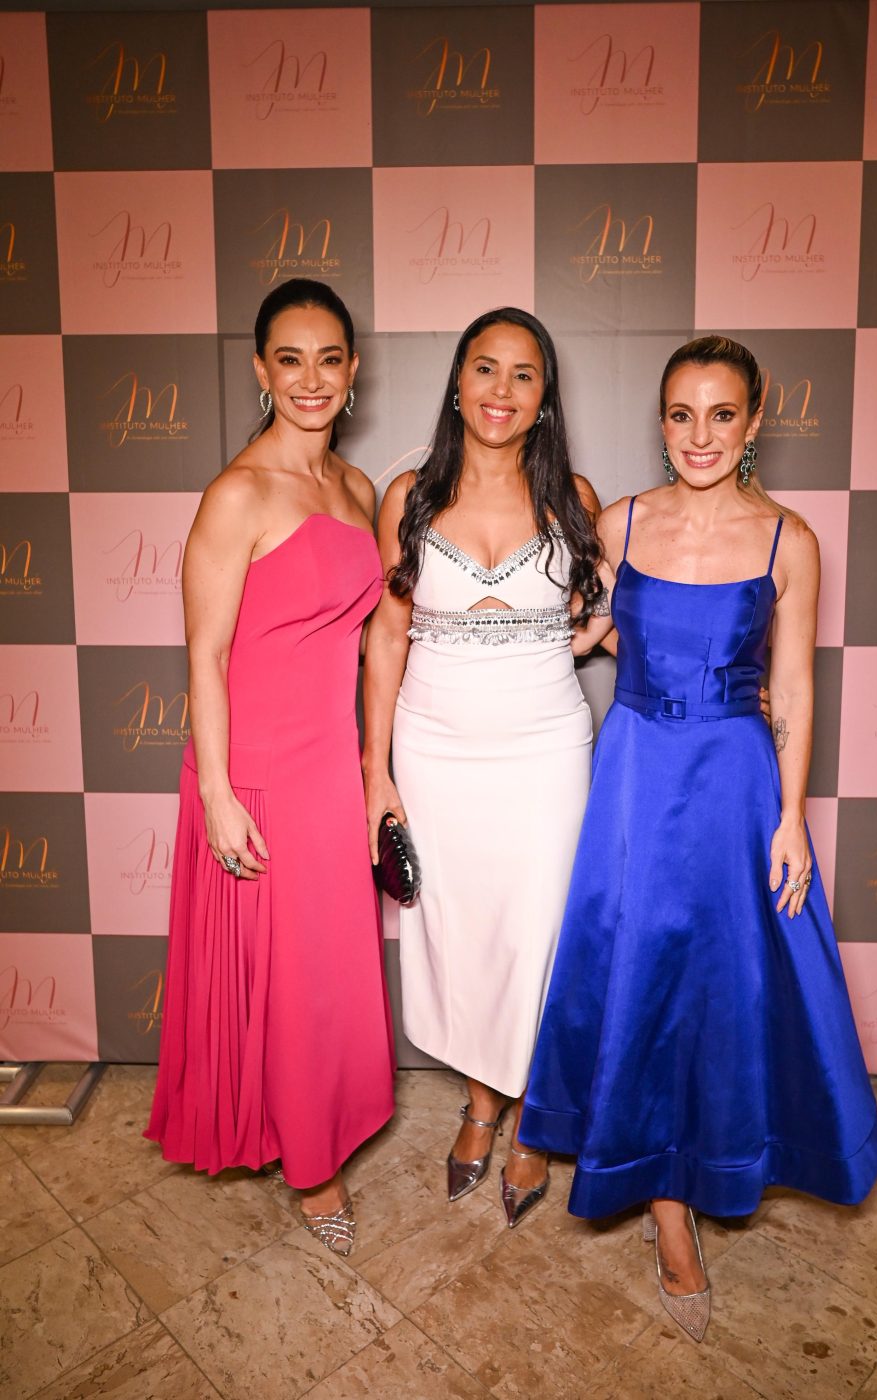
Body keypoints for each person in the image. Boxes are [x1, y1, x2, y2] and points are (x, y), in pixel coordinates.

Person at [520, 336, 877, 1339]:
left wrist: (791, 816)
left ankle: (709, 1160)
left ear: (753, 420)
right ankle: (663, 1208)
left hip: (731, 780)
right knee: (634, 974)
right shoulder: (621, 517)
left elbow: (797, 686)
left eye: (719, 415)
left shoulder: (786, 539)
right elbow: (585, 625)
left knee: (720, 986)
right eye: (679, 415)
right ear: (660, 421)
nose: (698, 435)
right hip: (634, 770)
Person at [145, 278, 394, 1257]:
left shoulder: (359, 489)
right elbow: (203, 654)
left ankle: (330, 1115)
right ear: (260, 370)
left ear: (351, 369)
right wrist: (213, 793)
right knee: (283, 975)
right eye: (288, 359)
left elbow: (377, 633)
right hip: (255, 771)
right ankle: (309, 1163)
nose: (310, 379)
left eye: (328, 358)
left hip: (331, 766)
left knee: (328, 966)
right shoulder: (236, 492)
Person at [362, 307, 605, 1227]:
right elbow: (386, 638)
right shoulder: (409, 496)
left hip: (545, 750)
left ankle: (532, 1129)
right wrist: (375, 771)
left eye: (523, 376)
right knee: (462, 938)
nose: (501, 391)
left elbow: (610, 614)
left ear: (545, 399)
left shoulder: (574, 498)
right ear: (457, 384)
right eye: (485, 370)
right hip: (433, 751)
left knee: (536, 941)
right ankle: (479, 1108)